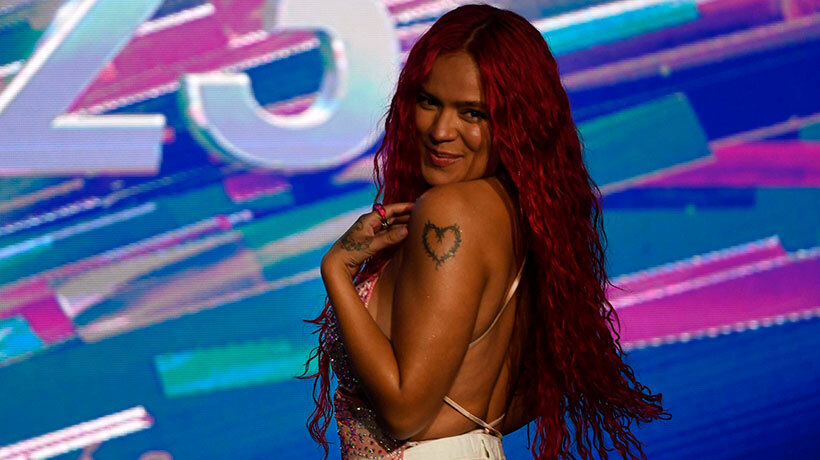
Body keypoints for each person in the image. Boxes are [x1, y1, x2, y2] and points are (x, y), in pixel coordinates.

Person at [302, 4, 669, 460]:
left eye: (472, 113)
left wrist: (337, 270)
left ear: (517, 121)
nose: (441, 130)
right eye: (429, 101)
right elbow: (538, 388)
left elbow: (404, 413)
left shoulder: (449, 211)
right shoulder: (520, 216)